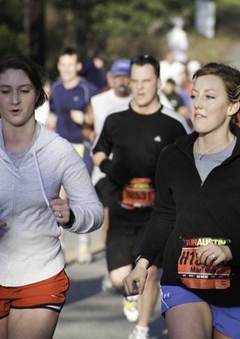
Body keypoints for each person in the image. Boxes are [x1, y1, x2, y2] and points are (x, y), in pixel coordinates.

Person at [122, 62, 240, 339]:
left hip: (238, 291)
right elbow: (164, 216)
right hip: (183, 283)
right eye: (194, 96)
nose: (197, 104)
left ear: (232, 107)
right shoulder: (172, 156)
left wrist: (231, 252)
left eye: (209, 97)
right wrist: (143, 263)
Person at [0, 55, 104, 338]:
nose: (14, 100)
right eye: (5, 91)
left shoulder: (58, 150)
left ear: (37, 94)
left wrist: (72, 215)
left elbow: (94, 210)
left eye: (24, 90)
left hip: (41, 274)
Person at [92, 54, 190, 339]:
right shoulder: (115, 119)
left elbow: (188, 166)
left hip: (157, 214)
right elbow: (98, 151)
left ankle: (142, 329)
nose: (139, 87)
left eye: (146, 81)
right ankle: (130, 297)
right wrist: (109, 167)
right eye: (135, 81)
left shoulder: (173, 125)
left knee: (148, 272)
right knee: (118, 278)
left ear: (157, 82)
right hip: (121, 210)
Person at [48, 48, 99, 264]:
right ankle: (59, 243)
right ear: (58, 66)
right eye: (63, 65)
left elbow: (98, 118)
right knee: (58, 196)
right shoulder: (56, 88)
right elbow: (51, 113)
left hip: (81, 146)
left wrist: (85, 118)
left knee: (79, 194)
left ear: (78, 66)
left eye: (71, 65)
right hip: (60, 146)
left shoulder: (88, 89)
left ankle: (84, 243)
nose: (67, 69)